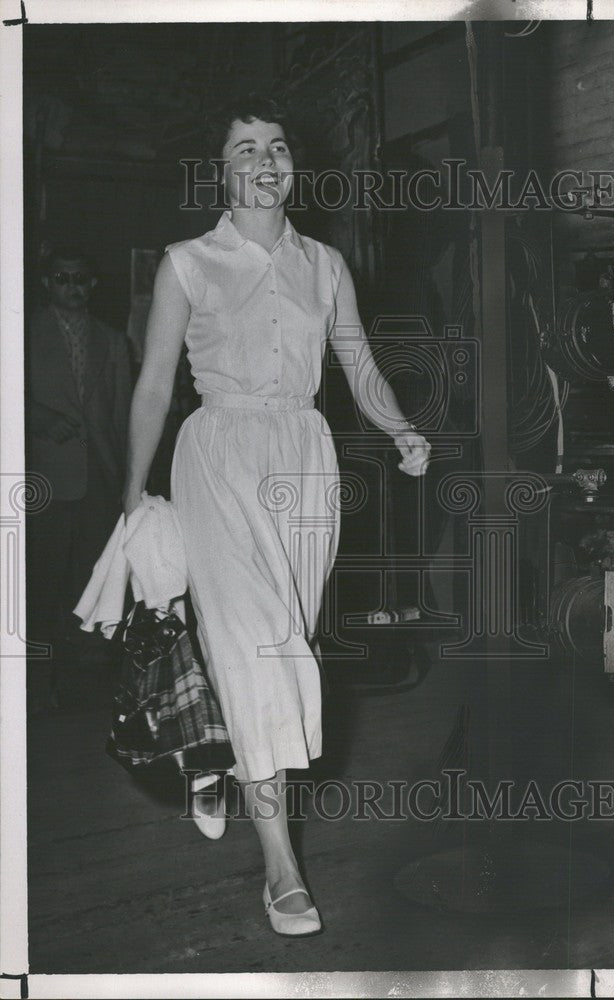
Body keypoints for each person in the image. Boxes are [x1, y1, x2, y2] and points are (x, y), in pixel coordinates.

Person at [122, 95, 430, 937]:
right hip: (216, 453)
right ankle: (282, 870)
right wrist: (132, 493)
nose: (265, 160)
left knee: (284, 641)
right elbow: (154, 384)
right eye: (245, 148)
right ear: (220, 171)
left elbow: (358, 364)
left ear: (294, 166)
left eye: (278, 147)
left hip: (303, 458)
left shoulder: (325, 265)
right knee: (259, 650)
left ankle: (210, 748)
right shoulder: (186, 263)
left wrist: (400, 426)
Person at [26, 248, 132, 713]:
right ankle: (33, 687)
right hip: (42, 483)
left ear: (91, 286)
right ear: (47, 283)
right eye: (62, 278)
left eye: (80, 279)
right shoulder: (22, 333)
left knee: (92, 587)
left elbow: (126, 414)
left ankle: (81, 691)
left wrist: (130, 479)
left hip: (100, 482)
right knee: (41, 585)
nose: (72, 286)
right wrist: (38, 417)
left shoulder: (112, 341)